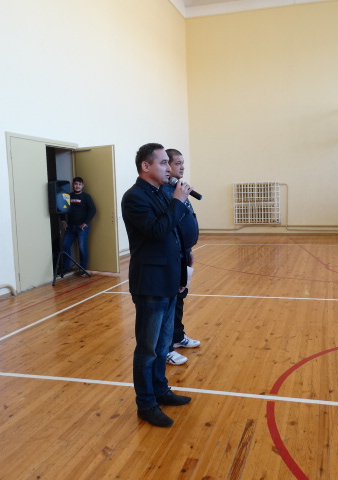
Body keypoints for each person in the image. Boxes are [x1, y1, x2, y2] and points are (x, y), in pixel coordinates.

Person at [121, 143, 193, 427]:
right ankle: (146, 404)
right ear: (145, 166)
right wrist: (177, 201)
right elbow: (158, 231)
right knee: (148, 350)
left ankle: (161, 391)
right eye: (163, 163)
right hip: (150, 284)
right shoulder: (135, 197)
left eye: (168, 163)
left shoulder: (161, 193)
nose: (169, 169)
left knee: (163, 345)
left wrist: (182, 274)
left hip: (169, 280)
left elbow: (175, 233)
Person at [162, 148, 201, 366]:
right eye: (178, 163)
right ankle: (166, 347)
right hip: (172, 255)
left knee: (180, 297)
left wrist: (188, 249)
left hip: (184, 252)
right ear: (167, 165)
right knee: (170, 301)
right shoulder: (167, 192)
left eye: (182, 163)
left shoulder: (179, 188)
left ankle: (178, 336)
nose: (182, 167)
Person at [61, 177, 96, 275]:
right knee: (65, 246)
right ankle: (66, 267)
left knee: (82, 247)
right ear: (73, 185)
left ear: (82, 185)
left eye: (80, 184)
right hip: (70, 227)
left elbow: (93, 210)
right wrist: (63, 221)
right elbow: (62, 208)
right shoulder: (68, 196)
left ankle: (82, 269)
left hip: (82, 228)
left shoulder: (86, 197)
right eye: (76, 184)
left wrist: (86, 222)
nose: (77, 186)